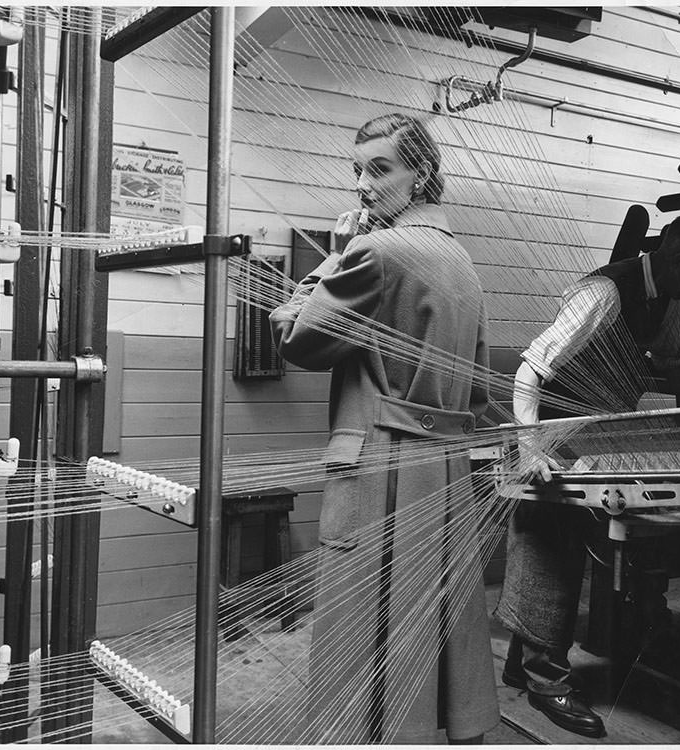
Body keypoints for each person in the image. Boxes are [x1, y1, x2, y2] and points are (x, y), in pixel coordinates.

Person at [270, 113, 499, 744]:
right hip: (444, 468)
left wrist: (334, 257)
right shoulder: (461, 260)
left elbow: (296, 339)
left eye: (381, 168)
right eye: (358, 171)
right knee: (428, 614)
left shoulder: (375, 251)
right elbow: (478, 388)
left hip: (379, 462)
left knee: (359, 615)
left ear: (421, 174)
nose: (365, 187)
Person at [494, 212, 680, 738]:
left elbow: (676, 364)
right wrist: (532, 445)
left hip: (595, 433)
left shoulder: (669, 298)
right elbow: (530, 369)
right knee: (549, 549)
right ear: (677, 256)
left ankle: (524, 663)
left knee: (573, 540)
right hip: (554, 433)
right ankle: (546, 680)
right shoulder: (605, 292)